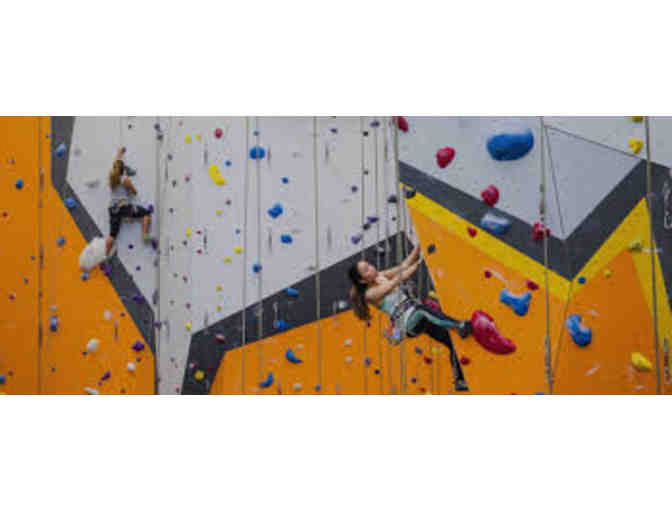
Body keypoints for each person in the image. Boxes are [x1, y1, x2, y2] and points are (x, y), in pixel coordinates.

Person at [348, 243, 471, 391]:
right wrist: (420, 262)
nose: (371, 267)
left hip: (417, 317)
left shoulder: (380, 276)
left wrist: (419, 247)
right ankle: (459, 325)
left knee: (451, 342)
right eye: (366, 269)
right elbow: (397, 280)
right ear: (362, 280)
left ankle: (459, 380)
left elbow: (403, 266)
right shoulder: (370, 294)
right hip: (407, 323)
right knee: (422, 310)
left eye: (368, 265)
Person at [106, 147, 153, 256]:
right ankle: (145, 235)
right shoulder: (125, 180)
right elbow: (134, 192)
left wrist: (120, 152)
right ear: (123, 170)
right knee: (146, 214)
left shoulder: (111, 175)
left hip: (112, 209)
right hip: (124, 208)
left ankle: (105, 254)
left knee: (112, 235)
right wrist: (129, 187)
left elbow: (117, 161)